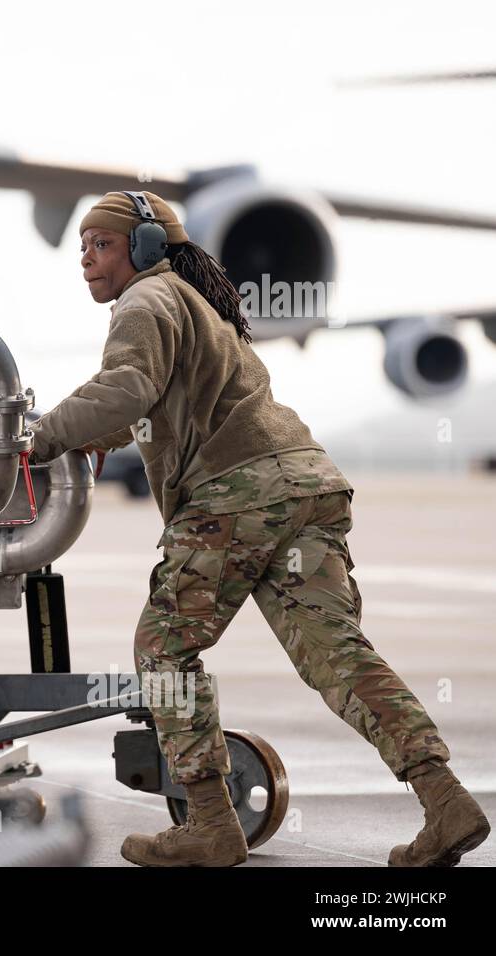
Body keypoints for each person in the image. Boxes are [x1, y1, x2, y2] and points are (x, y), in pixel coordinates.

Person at [29, 190, 490, 867]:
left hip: (236, 496)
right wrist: (110, 435)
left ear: (146, 247)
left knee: (163, 651)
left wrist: (34, 440)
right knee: (337, 656)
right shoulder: (193, 304)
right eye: (82, 248)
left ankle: (211, 823)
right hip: (303, 486)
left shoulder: (145, 302)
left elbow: (127, 387)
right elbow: (166, 398)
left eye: (100, 245)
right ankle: (445, 801)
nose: (87, 261)